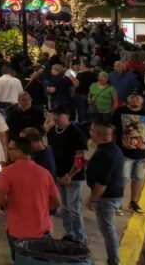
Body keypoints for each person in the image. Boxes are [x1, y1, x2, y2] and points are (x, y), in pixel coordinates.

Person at [0, 137, 61, 261]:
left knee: (21, 261)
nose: (8, 152)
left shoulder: (6, 173)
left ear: (18, 152)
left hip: (17, 230)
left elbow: (0, 200)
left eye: (10, 149)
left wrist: (6, 205)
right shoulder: (45, 173)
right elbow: (57, 202)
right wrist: (40, 207)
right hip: (42, 230)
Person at [111, 89, 145, 215]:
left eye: (138, 97)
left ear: (143, 100)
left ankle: (133, 202)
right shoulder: (120, 112)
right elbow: (111, 130)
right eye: (132, 96)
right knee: (122, 179)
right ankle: (118, 203)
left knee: (139, 179)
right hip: (123, 154)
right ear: (127, 99)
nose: (135, 99)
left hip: (142, 155)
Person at [44, 104, 88, 245]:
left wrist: (69, 175)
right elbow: (50, 151)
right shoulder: (52, 131)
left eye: (59, 115)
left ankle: (79, 238)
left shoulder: (76, 133)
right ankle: (69, 233)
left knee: (74, 208)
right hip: (58, 175)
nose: (56, 118)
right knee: (64, 207)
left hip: (73, 178)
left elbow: (81, 159)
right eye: (54, 115)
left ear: (67, 116)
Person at [87, 121, 125, 265]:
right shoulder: (110, 148)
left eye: (91, 130)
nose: (89, 132)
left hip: (107, 197)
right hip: (113, 194)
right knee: (107, 229)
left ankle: (114, 261)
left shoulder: (105, 154)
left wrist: (94, 199)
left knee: (108, 231)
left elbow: (102, 182)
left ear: (98, 134)